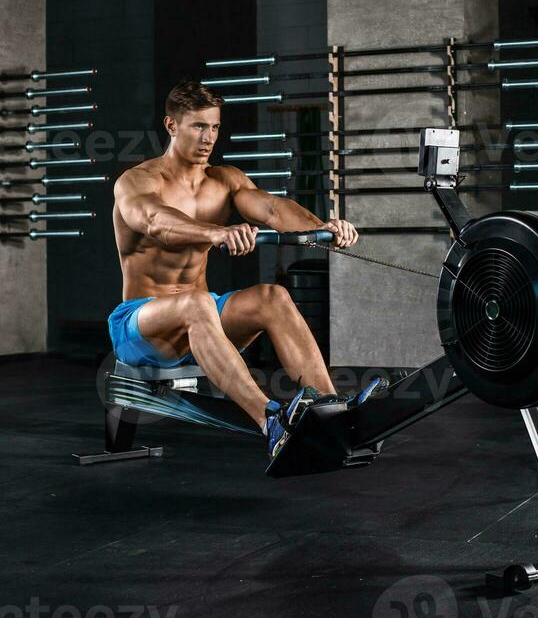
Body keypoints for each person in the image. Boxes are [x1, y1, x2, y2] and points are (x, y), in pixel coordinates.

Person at [109, 79, 384, 458]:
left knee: (272, 296)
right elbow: (156, 221)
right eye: (198, 126)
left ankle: (332, 412)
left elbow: (272, 209)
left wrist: (320, 227)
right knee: (196, 302)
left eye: (215, 127)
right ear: (171, 125)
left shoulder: (224, 181)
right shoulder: (138, 181)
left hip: (202, 322)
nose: (209, 138)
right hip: (141, 328)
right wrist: (215, 232)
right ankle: (270, 421)